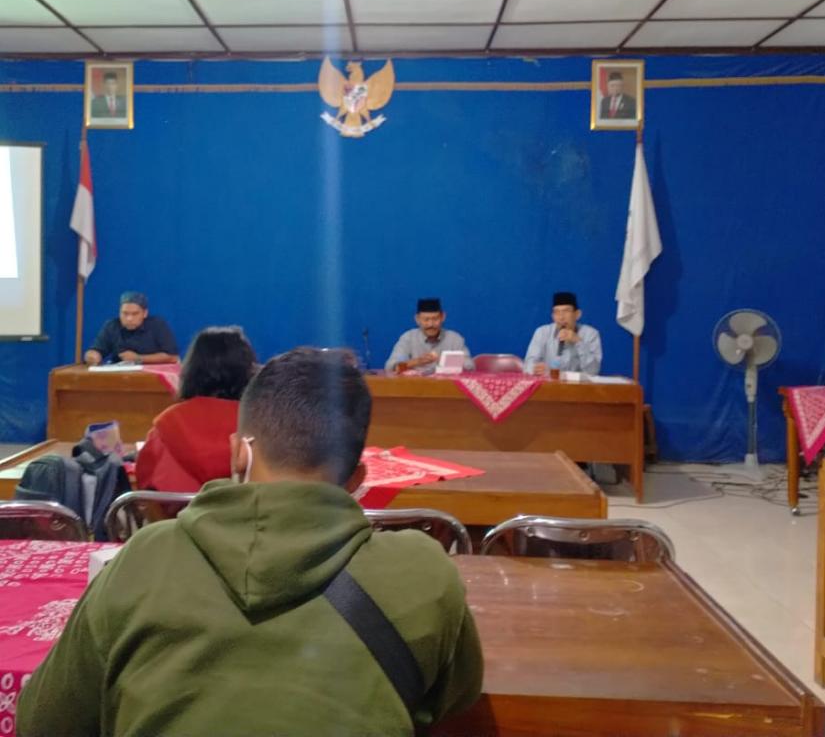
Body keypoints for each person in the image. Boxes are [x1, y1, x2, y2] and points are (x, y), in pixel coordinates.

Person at [18, 348, 483, 737]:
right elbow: (457, 699)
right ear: (359, 478)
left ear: (240, 450)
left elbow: (41, 723)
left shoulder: (142, 561)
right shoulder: (424, 574)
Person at [136, 326, 258, 492]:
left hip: (181, 516)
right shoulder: (261, 424)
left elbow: (146, 483)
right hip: (247, 515)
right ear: (248, 370)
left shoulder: (169, 422)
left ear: (192, 369)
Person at [84, 291, 178, 365]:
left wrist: (139, 358)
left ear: (145, 313)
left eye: (135, 314)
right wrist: (92, 356)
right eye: (125, 313)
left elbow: (173, 357)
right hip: (121, 378)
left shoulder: (157, 325)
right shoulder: (112, 326)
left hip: (153, 376)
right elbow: (96, 350)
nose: (129, 319)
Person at [385, 297, 473, 373]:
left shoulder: (454, 339)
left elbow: (470, 367)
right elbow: (390, 367)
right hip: (415, 388)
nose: (431, 324)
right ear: (417, 319)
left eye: (435, 319)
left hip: (448, 388)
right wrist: (416, 362)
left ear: (443, 317)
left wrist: (444, 362)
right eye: (426, 320)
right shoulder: (408, 338)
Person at [524, 291, 602, 376]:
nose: (561, 317)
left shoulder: (590, 334)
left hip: (578, 387)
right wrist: (535, 368)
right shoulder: (542, 332)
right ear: (552, 316)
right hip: (549, 386)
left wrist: (578, 341)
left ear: (577, 314)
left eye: (566, 311)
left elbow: (593, 371)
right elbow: (528, 365)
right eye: (556, 312)